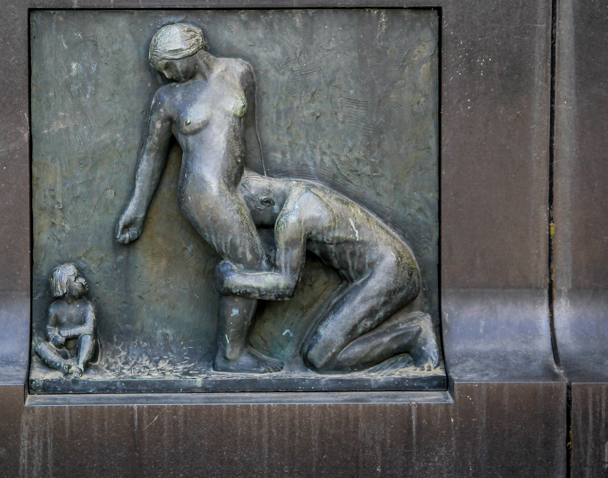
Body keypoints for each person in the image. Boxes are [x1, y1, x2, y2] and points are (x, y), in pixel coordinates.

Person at [115, 23, 281, 373]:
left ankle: (236, 350)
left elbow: (250, 133)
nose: (164, 76)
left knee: (270, 250)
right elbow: (151, 155)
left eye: (167, 66)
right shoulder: (168, 99)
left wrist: (263, 181)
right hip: (203, 192)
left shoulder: (239, 71)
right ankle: (231, 356)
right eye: (159, 71)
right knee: (252, 266)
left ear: (188, 54)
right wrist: (137, 207)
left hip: (241, 183)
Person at [216, 170, 439, 373]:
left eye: (249, 218)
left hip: (390, 275)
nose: (251, 226)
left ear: (265, 202)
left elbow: (285, 286)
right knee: (319, 354)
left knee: (321, 358)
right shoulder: (294, 188)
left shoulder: (291, 220)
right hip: (383, 268)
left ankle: (412, 336)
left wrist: (233, 281)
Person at [35, 263, 96, 377]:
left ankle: (79, 367)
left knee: (88, 338)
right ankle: (64, 366)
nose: (82, 281)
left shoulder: (87, 306)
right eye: (76, 279)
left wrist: (66, 333)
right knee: (41, 347)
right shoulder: (55, 308)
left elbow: (89, 328)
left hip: (80, 350)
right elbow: (50, 327)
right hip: (61, 351)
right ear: (65, 286)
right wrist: (54, 337)